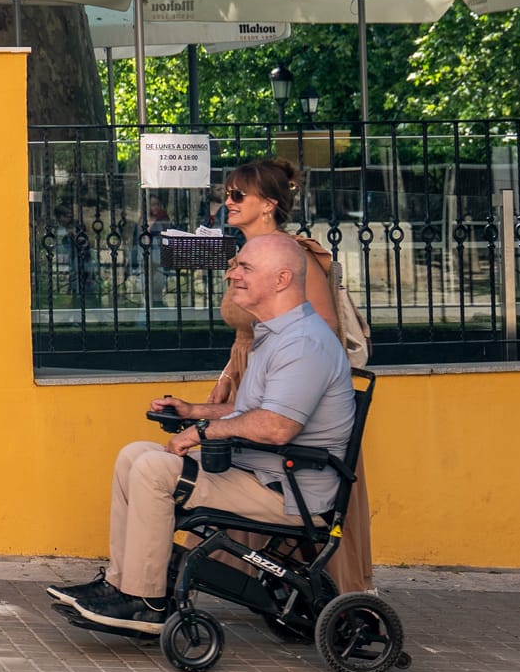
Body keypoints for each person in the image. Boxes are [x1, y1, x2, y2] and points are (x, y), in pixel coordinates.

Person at [47, 234, 356, 635]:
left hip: (289, 491)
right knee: (133, 455)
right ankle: (121, 584)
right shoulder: (279, 334)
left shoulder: (304, 344)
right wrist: (194, 411)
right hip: (263, 472)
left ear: (281, 279)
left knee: (154, 471)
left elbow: (277, 426)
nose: (232, 274)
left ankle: (146, 602)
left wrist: (201, 431)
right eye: (236, 266)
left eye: (245, 268)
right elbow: (255, 411)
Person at [207, 156, 375, 591]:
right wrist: (227, 376)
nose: (228, 201)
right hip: (249, 371)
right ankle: (253, 582)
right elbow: (249, 331)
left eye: (238, 194)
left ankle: (324, 591)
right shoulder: (246, 259)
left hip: (289, 381)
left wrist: (281, 384)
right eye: (226, 193)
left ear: (268, 204)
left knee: (283, 479)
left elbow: (320, 330)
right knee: (239, 474)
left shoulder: (292, 257)